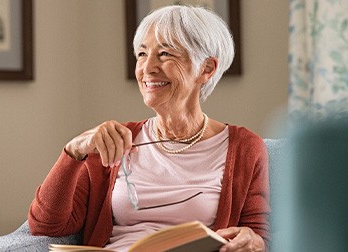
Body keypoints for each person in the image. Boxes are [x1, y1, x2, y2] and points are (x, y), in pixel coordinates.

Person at [28, 5, 269, 252]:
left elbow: (259, 235)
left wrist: (254, 241)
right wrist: (73, 151)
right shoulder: (113, 141)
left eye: (164, 54)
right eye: (142, 54)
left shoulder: (244, 147)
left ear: (206, 69)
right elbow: (46, 226)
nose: (148, 68)